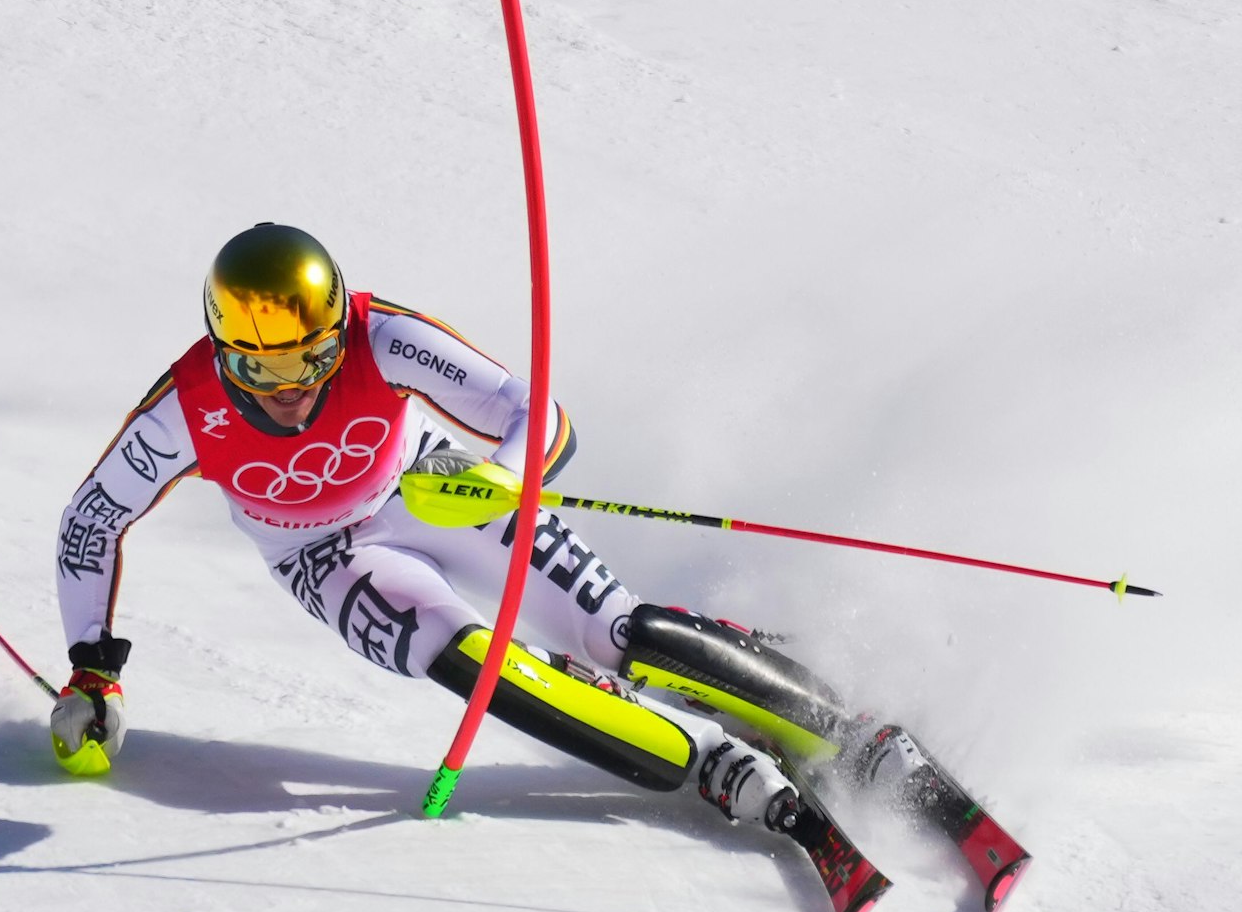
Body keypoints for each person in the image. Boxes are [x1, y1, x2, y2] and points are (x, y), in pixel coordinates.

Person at [49, 222, 910, 835]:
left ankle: (833, 719)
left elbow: (540, 413)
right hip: (322, 557)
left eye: (311, 358)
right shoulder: (183, 409)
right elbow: (90, 521)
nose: (290, 387)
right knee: (463, 652)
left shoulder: (380, 335)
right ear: (221, 350)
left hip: (433, 488)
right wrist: (93, 671)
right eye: (260, 367)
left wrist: (501, 474)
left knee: (616, 631)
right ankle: (703, 759)